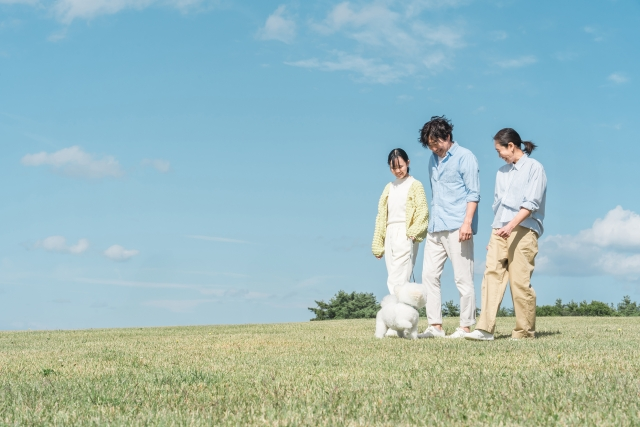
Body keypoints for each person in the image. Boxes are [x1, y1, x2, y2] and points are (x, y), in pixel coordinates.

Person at [466, 128, 547, 341]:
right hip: (500, 229)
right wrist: (494, 233)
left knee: (519, 281)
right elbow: (497, 206)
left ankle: (524, 332)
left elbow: (531, 203)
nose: (498, 154)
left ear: (511, 146)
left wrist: (510, 226)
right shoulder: (501, 172)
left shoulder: (534, 168)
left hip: (524, 228)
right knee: (491, 275)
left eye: (499, 149)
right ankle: (484, 329)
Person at [418, 116, 480, 339]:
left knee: (463, 278)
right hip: (436, 227)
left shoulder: (466, 157)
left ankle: (465, 327)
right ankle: (435, 326)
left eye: (436, 142)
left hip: (458, 226)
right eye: (430, 144)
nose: (434, 148)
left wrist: (467, 223)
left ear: (448, 137)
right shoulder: (432, 161)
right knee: (429, 276)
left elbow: (473, 194)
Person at [372, 148, 429, 295]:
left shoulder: (415, 185)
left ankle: (397, 310)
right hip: (389, 233)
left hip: (406, 233)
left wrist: (414, 231)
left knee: (399, 276)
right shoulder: (389, 187)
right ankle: (399, 311)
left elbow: (422, 211)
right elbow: (381, 216)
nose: (398, 170)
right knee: (393, 275)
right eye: (394, 167)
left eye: (400, 166)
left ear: (408, 163)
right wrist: (378, 244)